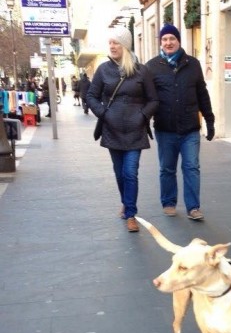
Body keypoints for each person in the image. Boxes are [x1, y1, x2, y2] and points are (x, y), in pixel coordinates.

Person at [86, 26, 158, 232]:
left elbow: (154, 100)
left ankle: (131, 214)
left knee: (130, 172)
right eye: (110, 43)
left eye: (116, 42)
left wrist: (143, 116)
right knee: (119, 173)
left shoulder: (141, 71)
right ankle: (126, 203)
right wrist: (104, 113)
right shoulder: (103, 70)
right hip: (112, 130)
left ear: (125, 45)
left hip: (135, 131)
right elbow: (91, 96)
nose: (112, 46)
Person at [145, 23, 215, 221]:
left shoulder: (193, 64)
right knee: (167, 168)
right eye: (165, 39)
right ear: (161, 42)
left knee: (191, 167)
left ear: (178, 41)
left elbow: (202, 93)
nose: (168, 42)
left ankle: (193, 207)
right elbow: (148, 98)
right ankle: (168, 203)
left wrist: (209, 120)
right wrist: (144, 122)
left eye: (172, 39)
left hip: (190, 129)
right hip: (165, 129)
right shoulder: (152, 67)